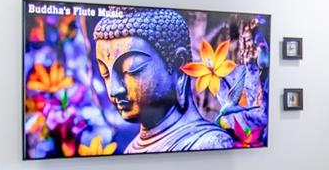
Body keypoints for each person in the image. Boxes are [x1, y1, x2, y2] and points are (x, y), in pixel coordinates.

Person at [92, 9, 235, 153]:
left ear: (179, 67)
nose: (114, 90)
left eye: (131, 69)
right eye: (105, 74)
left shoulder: (208, 143)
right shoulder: (132, 148)